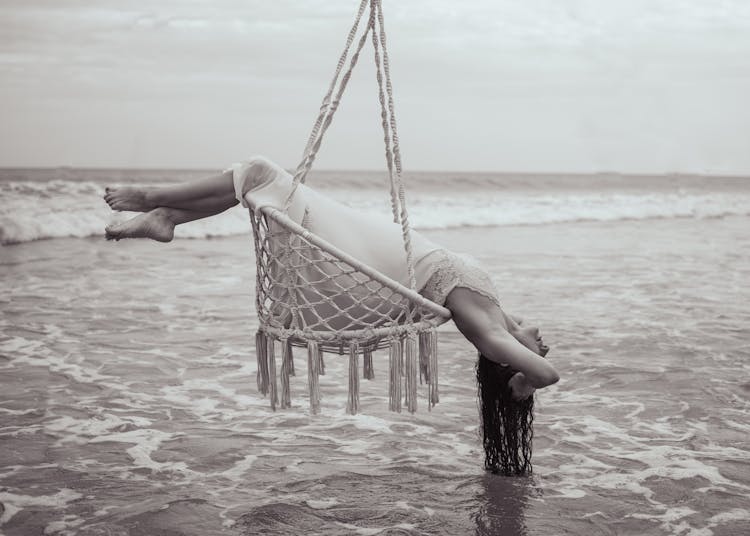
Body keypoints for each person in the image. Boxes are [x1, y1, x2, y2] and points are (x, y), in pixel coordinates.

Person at [104, 156, 559, 475]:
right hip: (389, 250)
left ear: (509, 362)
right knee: (262, 187)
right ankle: (166, 217)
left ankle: (151, 200)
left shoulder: (487, 330)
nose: (547, 344)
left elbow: (548, 374)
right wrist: (520, 345)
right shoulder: (501, 316)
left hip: (380, 262)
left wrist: (523, 382)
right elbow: (529, 346)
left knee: (261, 173)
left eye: (525, 356)